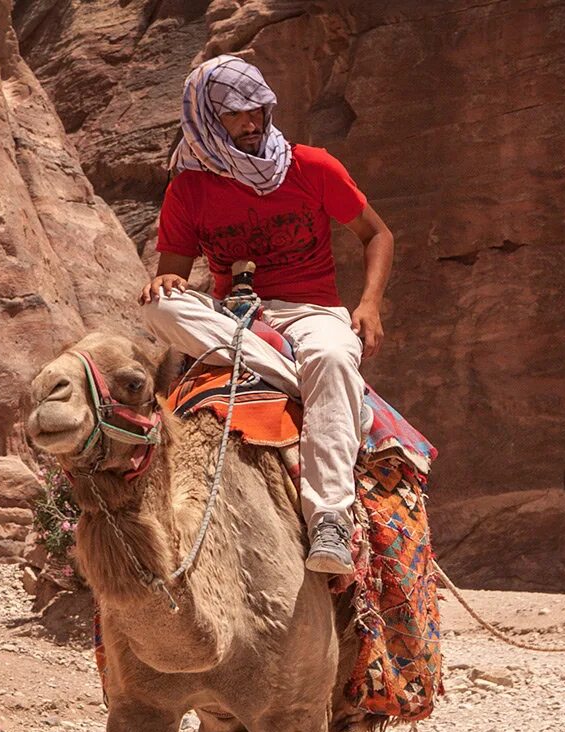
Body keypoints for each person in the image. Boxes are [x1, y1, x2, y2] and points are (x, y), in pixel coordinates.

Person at [139, 55, 395, 576]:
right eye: (236, 114)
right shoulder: (188, 188)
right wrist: (166, 284)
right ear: (207, 119)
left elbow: (377, 234)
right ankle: (311, 382)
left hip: (312, 311)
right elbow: (173, 275)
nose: (252, 123)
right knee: (158, 306)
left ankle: (329, 520)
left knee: (330, 350)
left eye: (258, 110)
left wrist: (368, 304)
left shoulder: (312, 167)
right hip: (235, 316)